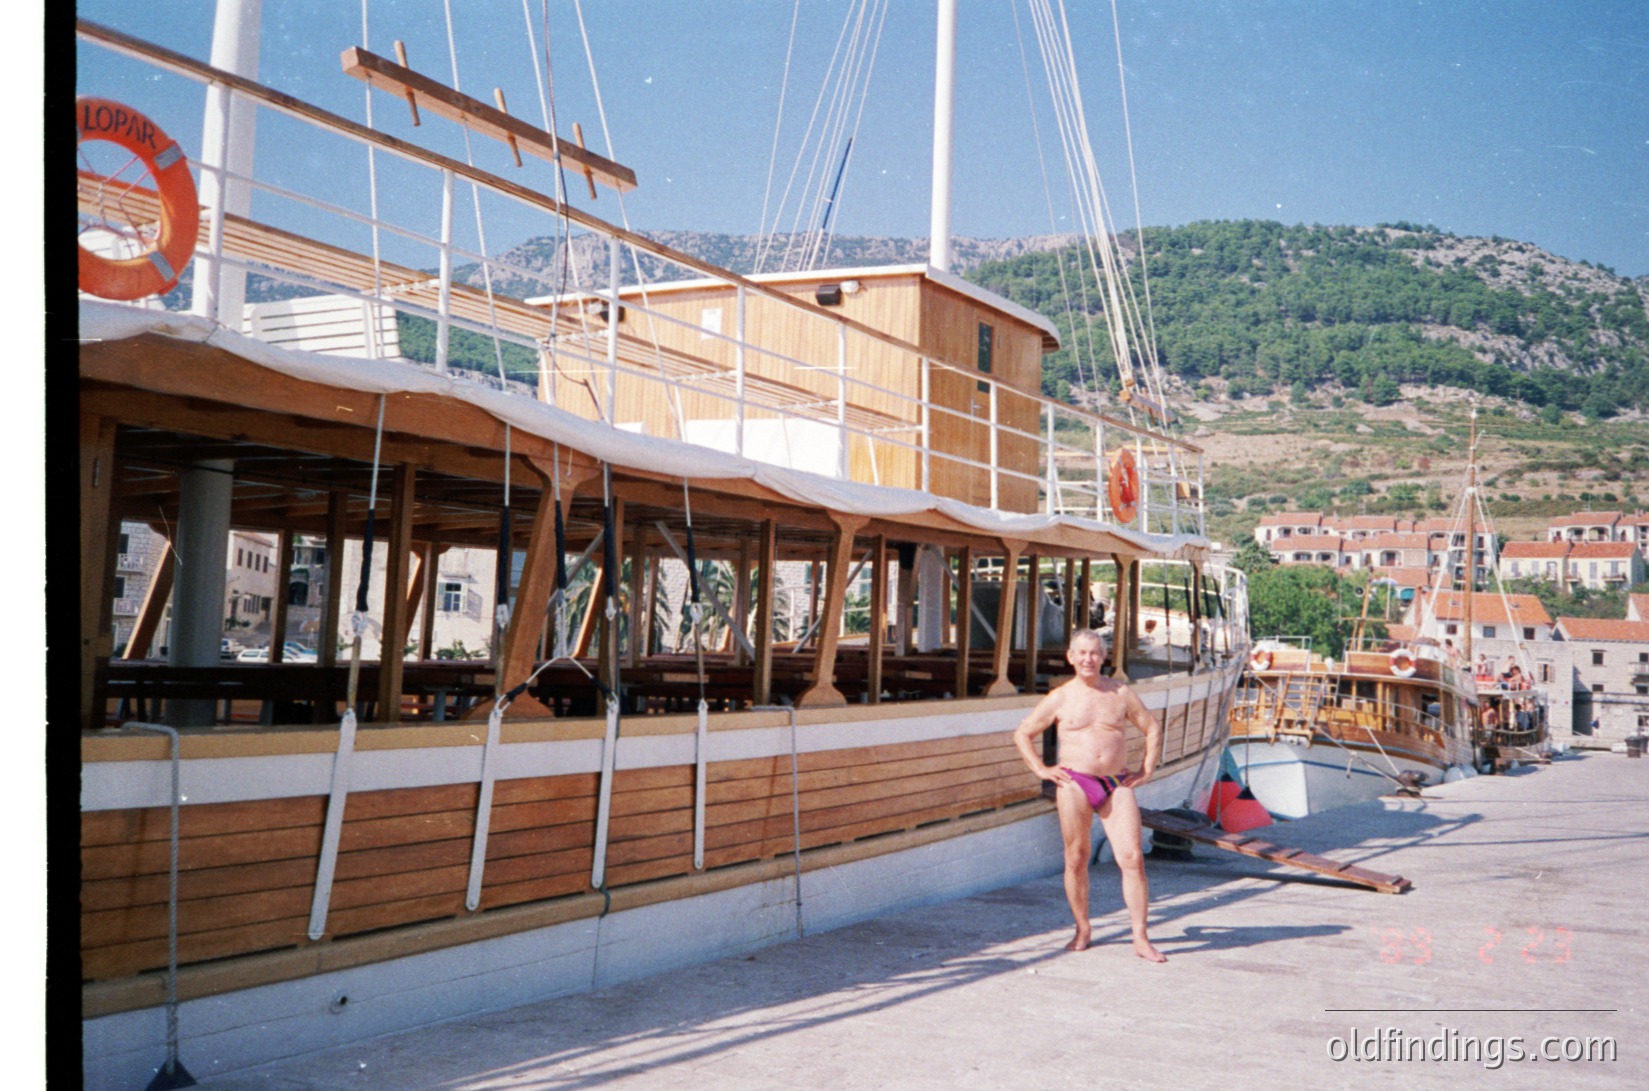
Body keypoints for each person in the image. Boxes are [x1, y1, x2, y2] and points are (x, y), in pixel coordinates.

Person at [1012, 629, 1166, 961]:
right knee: (1076, 857)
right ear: (1070, 657)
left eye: (1094, 653)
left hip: (1116, 783)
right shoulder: (1060, 697)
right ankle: (1082, 928)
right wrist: (1041, 769)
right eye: (1081, 653)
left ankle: (1140, 937)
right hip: (1074, 782)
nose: (1088, 659)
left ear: (1103, 656)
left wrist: (1147, 769)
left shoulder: (1121, 692)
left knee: (1132, 858)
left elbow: (1152, 727)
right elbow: (1023, 733)